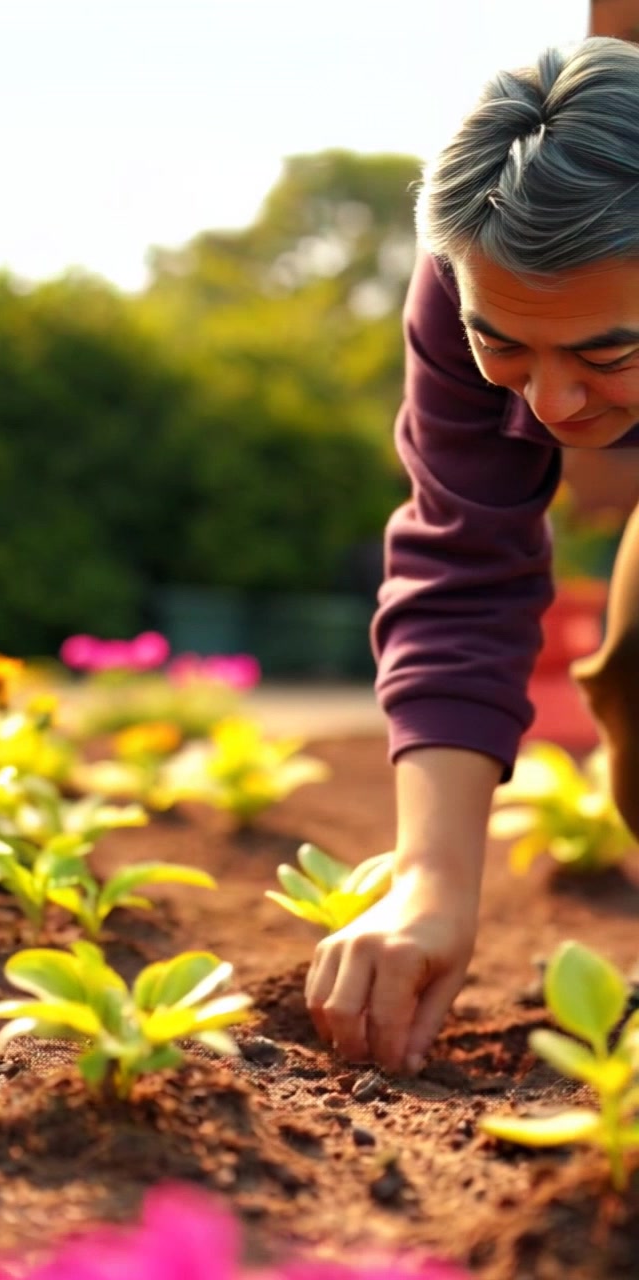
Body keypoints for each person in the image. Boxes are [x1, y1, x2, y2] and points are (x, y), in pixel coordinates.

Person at [304, 34, 639, 1075]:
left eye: (606, 352)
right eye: (508, 347)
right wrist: (432, 884)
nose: (550, 402)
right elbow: (464, 561)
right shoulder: (468, 278)